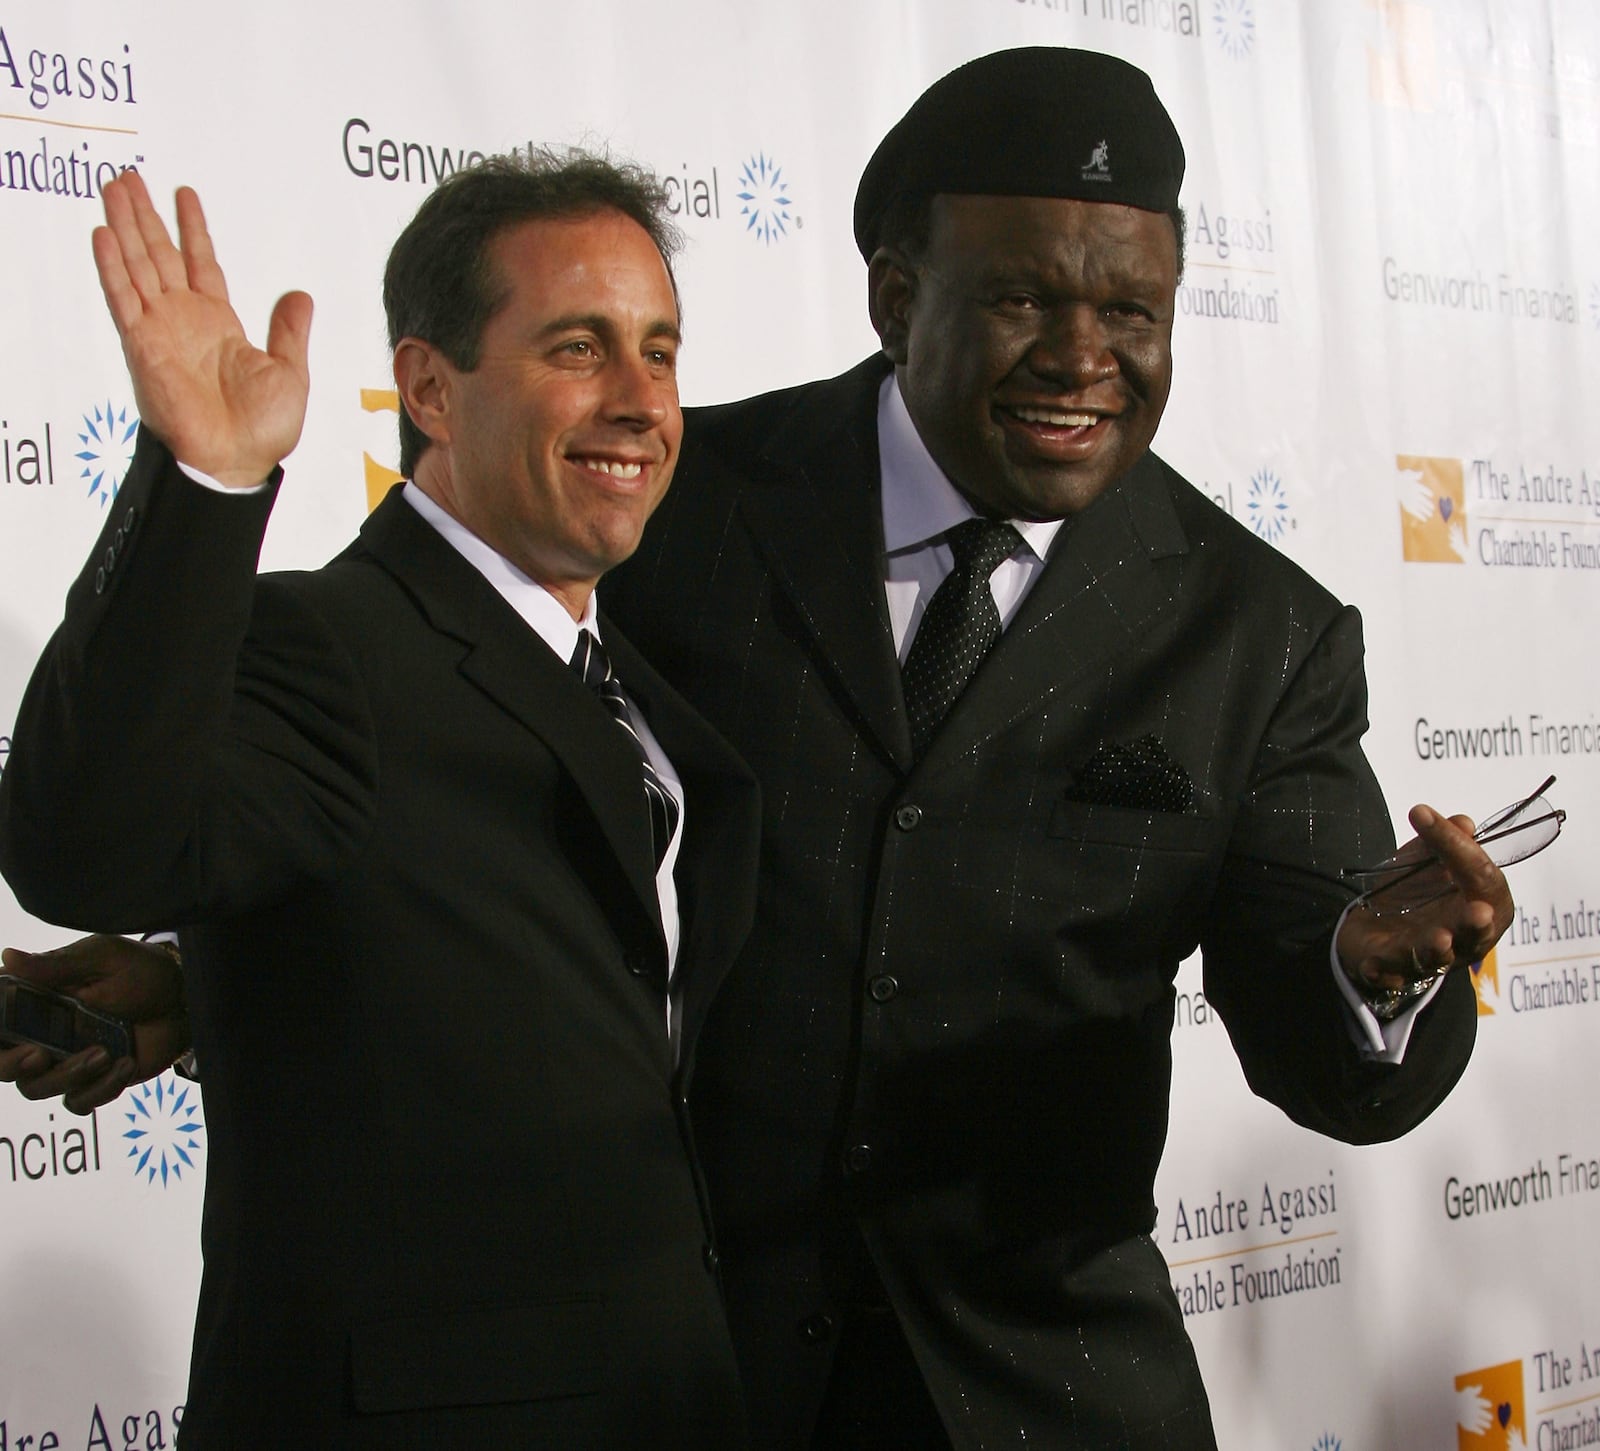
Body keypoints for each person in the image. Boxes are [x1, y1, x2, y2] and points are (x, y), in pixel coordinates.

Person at [3, 48, 1510, 1451]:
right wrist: (247, 976)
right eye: (1025, 302)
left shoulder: (1258, 628)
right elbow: (444, 766)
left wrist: (1374, 969)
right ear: (896, 292)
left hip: (1037, 1398)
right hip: (678, 1379)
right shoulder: (658, 496)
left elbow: (1337, 1048)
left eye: (1133, 313)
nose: (1084, 357)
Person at [0, 154, 759, 1447]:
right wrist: (205, 484)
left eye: (660, 351)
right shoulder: (323, 645)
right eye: (579, 347)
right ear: (427, 388)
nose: (639, 399)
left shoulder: (645, 692)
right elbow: (85, 847)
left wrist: (217, 985)